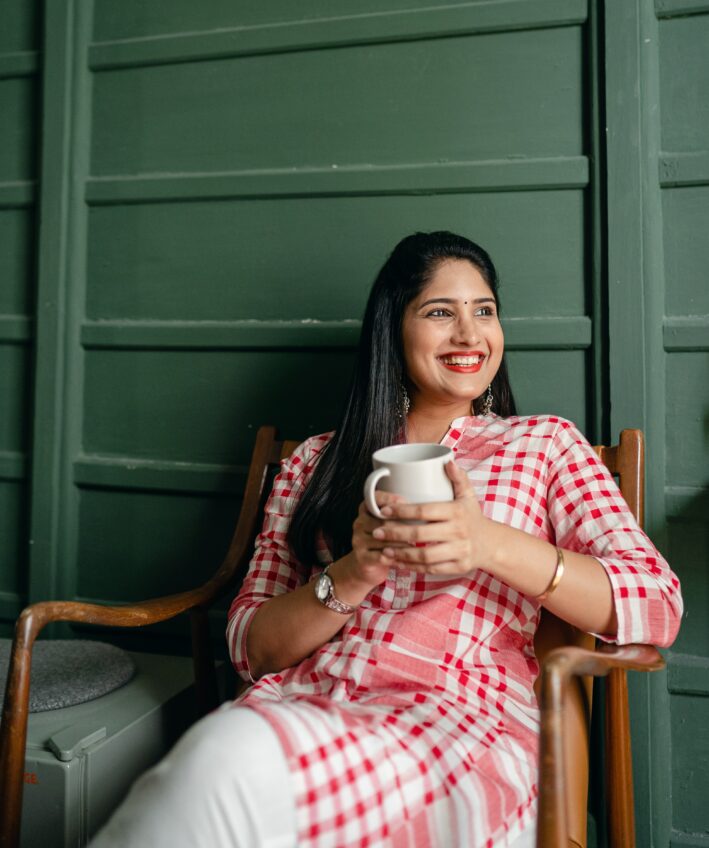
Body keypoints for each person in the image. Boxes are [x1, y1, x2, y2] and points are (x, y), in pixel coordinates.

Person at [91, 231, 682, 848]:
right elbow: (251, 649)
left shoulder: (545, 445)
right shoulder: (317, 461)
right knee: (219, 758)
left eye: (484, 311)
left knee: (222, 762)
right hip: (306, 704)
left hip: (462, 721)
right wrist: (355, 569)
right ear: (392, 332)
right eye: (438, 312)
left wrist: (488, 544)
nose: (469, 334)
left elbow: (658, 603)